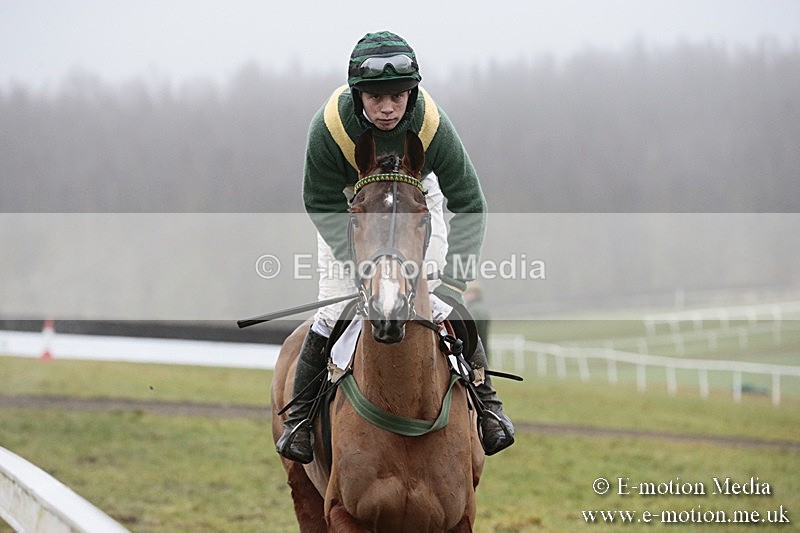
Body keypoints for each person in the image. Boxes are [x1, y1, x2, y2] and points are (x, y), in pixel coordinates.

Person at [276, 31, 514, 464]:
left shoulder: (433, 126)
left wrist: (454, 283)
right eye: (375, 97)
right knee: (332, 310)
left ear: (413, 93)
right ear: (358, 95)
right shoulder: (328, 128)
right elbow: (320, 200)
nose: (387, 108)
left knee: (440, 306)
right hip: (355, 212)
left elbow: (471, 204)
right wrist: (360, 265)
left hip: (416, 204)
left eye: (398, 97)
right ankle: (298, 421)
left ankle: (488, 407)